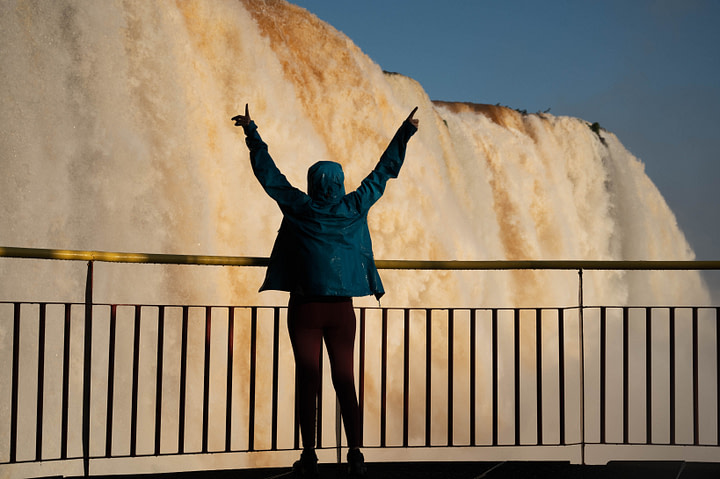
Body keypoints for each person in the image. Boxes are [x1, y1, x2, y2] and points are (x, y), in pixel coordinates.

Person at [232, 104, 418, 478]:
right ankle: (355, 452)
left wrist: (252, 132)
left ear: (314, 182)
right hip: (341, 312)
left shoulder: (299, 206)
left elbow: (270, 177)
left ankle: (309, 454)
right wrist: (405, 132)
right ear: (339, 183)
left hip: (305, 309)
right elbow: (382, 173)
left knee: (308, 377)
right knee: (345, 378)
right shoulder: (354, 205)